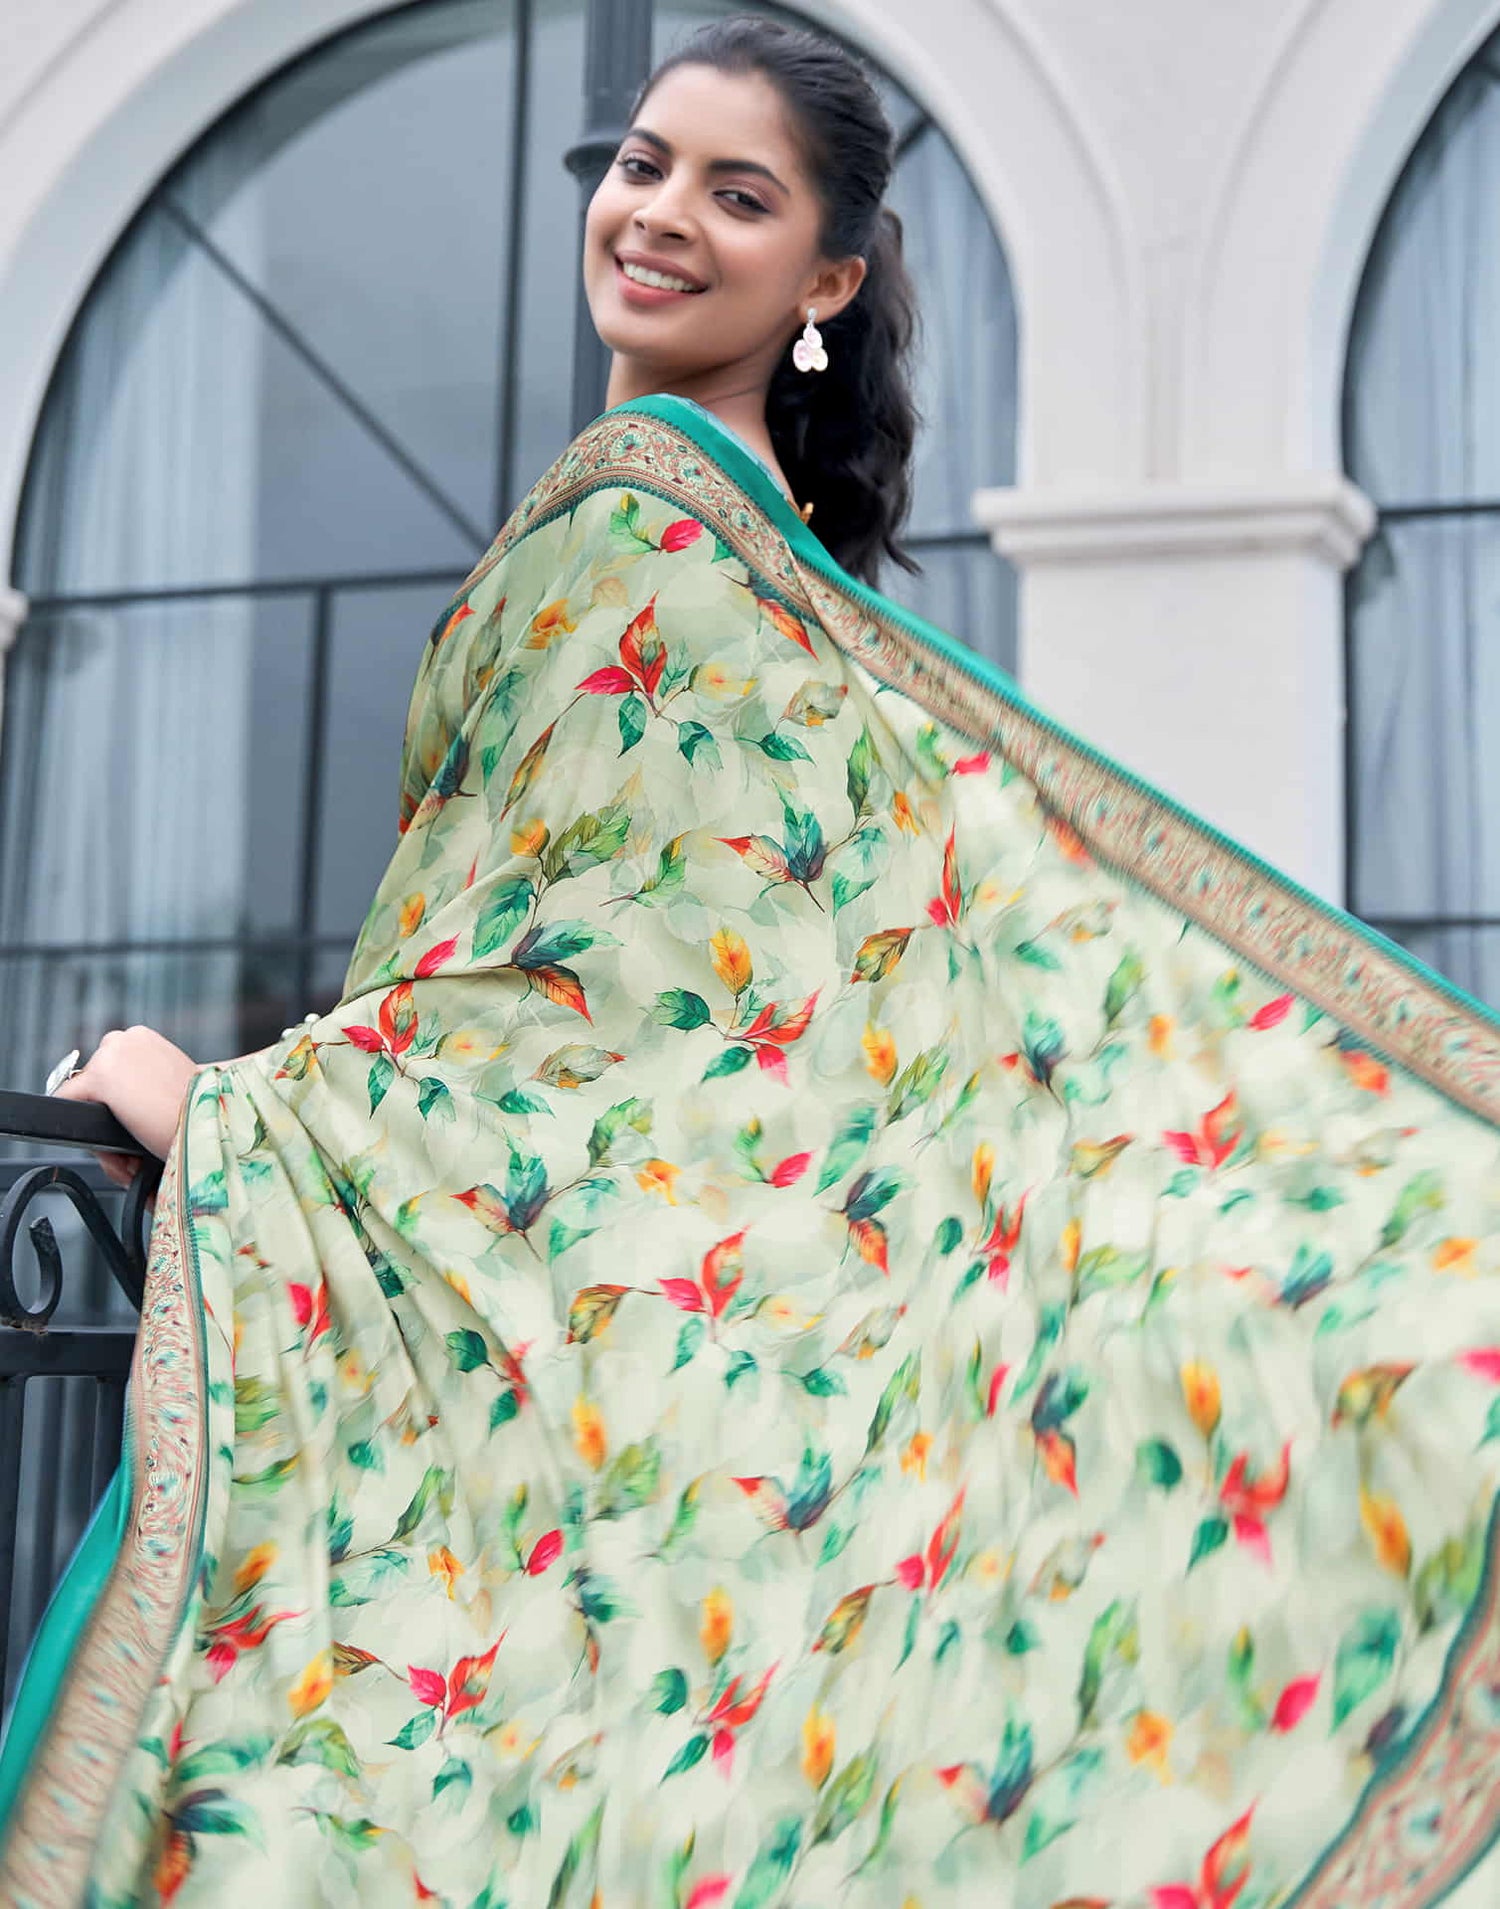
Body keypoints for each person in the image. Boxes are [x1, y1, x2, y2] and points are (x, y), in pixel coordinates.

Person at [3, 14, 1499, 1905]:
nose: (662, 217)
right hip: (710, 1429)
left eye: (739, 194)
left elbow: (573, 1048)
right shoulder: (779, 580)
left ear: (830, 275)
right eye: (643, 166)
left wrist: (222, 1105)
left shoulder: (644, 540)